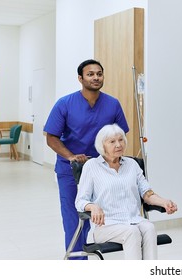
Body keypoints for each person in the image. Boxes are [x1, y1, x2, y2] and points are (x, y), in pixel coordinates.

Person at [43, 59, 130, 259]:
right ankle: (76, 260)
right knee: (73, 217)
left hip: (101, 169)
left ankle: (85, 250)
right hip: (70, 169)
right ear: (80, 78)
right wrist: (70, 156)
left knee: (92, 215)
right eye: (90, 74)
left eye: (99, 73)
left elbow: (120, 134)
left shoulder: (112, 104)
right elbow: (51, 137)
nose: (96, 77)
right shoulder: (65, 104)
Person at [75, 124, 177, 260]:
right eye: (112, 141)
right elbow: (80, 201)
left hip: (134, 220)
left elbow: (147, 193)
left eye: (121, 140)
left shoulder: (132, 164)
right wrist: (93, 206)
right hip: (107, 226)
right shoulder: (91, 166)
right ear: (102, 145)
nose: (118, 145)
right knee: (132, 232)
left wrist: (164, 202)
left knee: (149, 227)